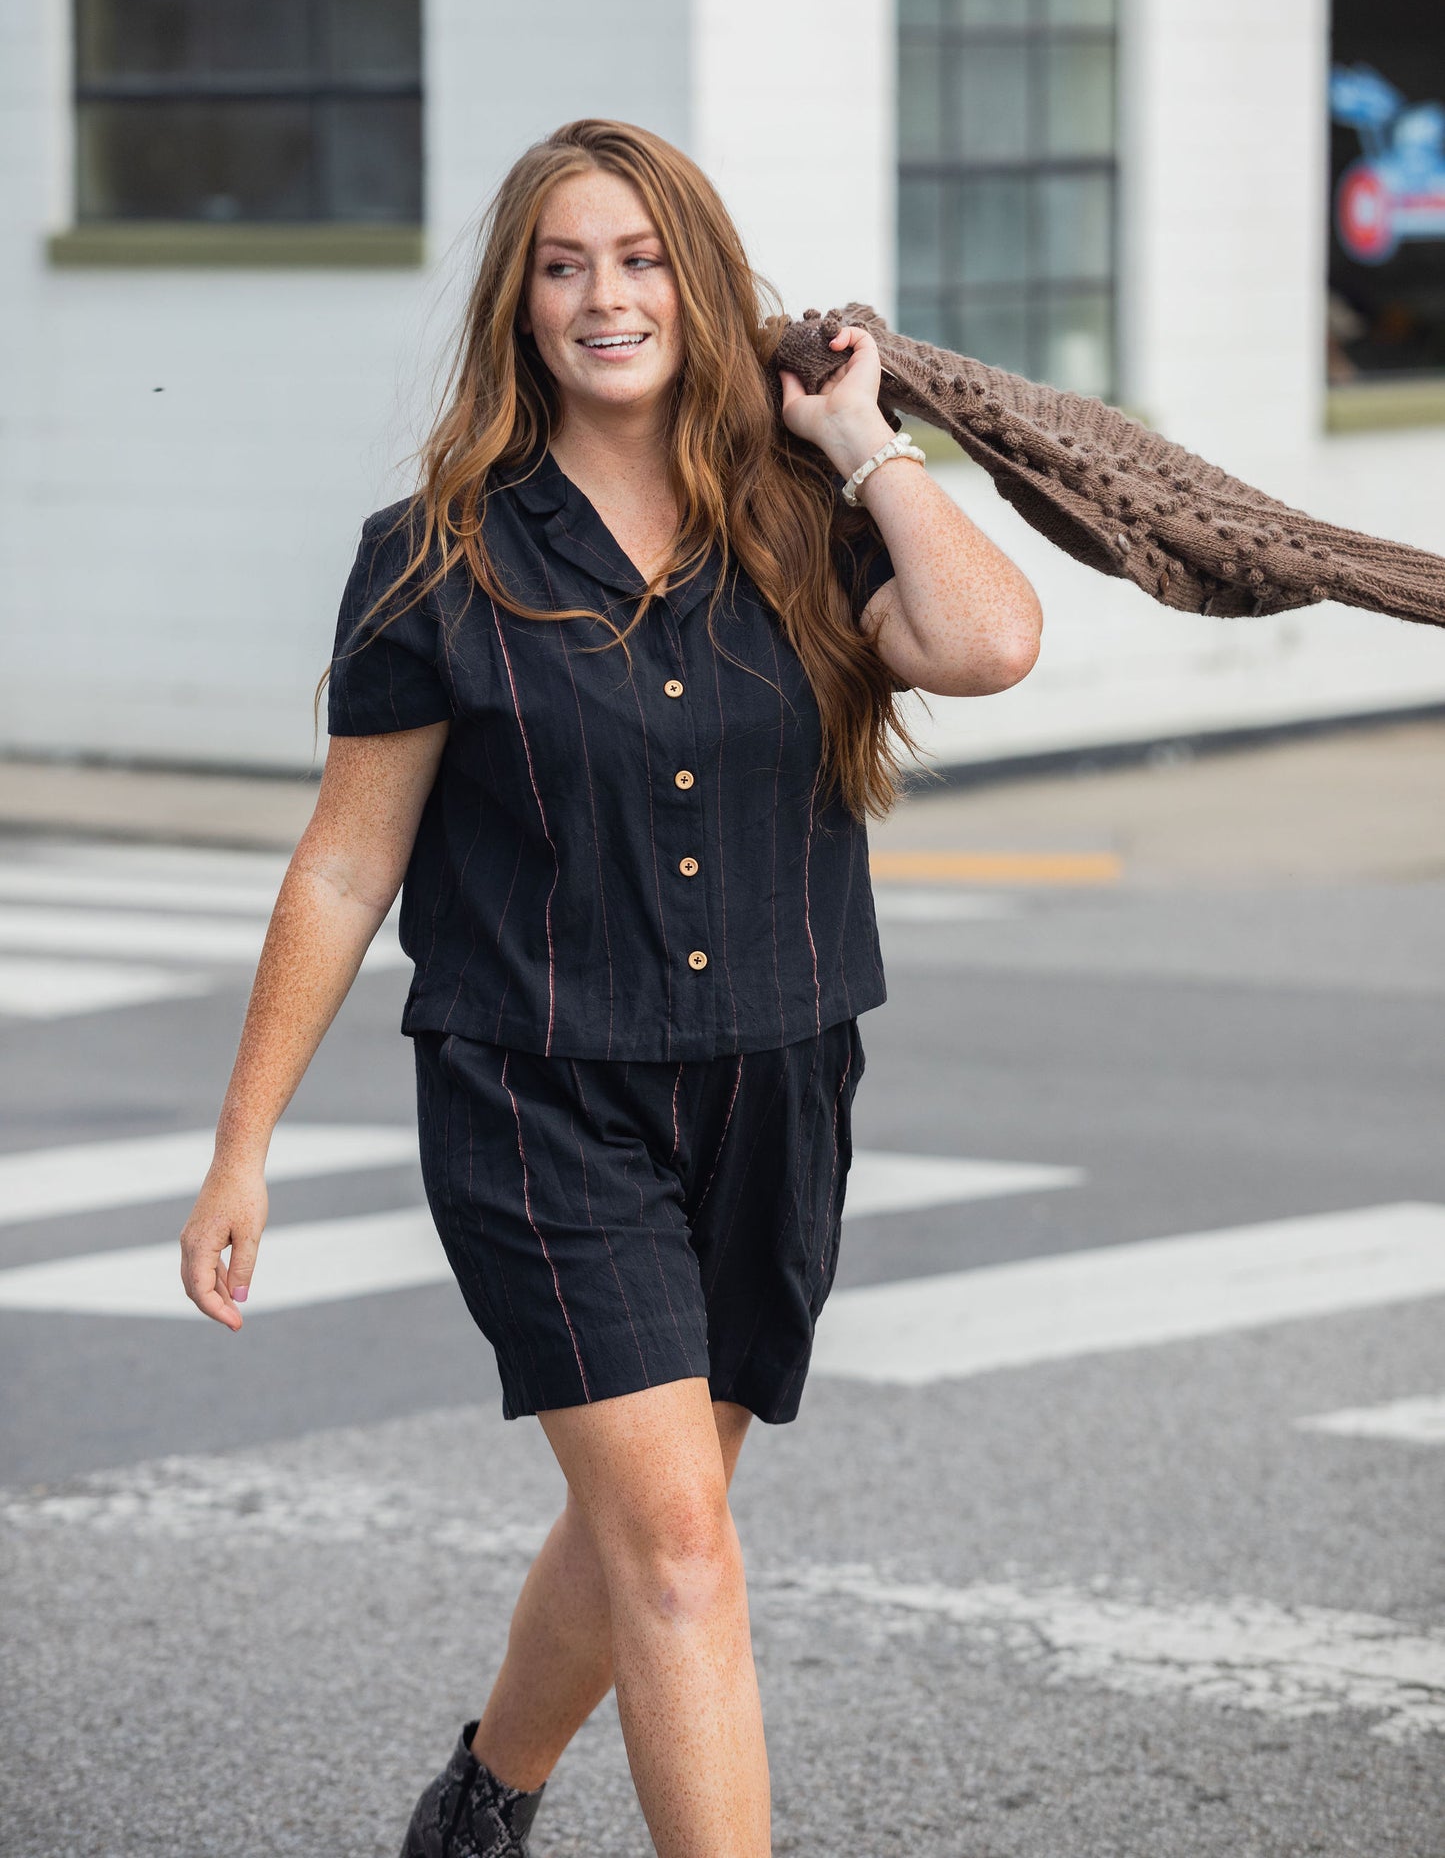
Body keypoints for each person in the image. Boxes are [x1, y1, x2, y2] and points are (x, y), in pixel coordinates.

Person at [179, 119, 1043, 1858]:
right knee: (676, 1550)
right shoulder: (432, 554)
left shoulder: (800, 514)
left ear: (700, 285)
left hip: (775, 1079)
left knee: (659, 1518)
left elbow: (988, 643)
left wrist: (866, 443)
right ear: (521, 303)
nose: (605, 296)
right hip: (538, 1092)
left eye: (641, 258)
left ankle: (488, 1792)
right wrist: (242, 1143)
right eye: (566, 265)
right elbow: (347, 863)